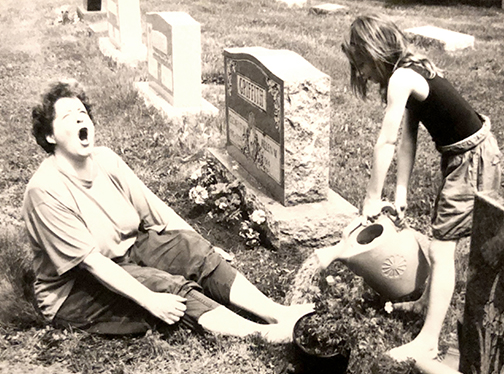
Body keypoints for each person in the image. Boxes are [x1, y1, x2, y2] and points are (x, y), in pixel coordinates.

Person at [22, 79, 312, 340]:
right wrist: (150, 299)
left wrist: (203, 247)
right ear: (50, 136)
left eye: (82, 114)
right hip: (75, 290)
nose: (79, 120)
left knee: (191, 249)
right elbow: (93, 264)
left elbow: (156, 211)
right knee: (166, 288)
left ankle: (276, 312)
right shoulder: (44, 190)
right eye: (68, 118)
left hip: (127, 252)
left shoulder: (105, 159)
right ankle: (263, 333)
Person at [341, 15, 501, 363]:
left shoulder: (401, 77)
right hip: (466, 155)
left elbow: (386, 141)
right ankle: (425, 302)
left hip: (470, 161)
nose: (363, 75)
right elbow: (408, 140)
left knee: (442, 251)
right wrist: (400, 192)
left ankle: (428, 341)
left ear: (374, 52)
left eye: (362, 66)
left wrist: (372, 197)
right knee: (440, 242)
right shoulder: (410, 69)